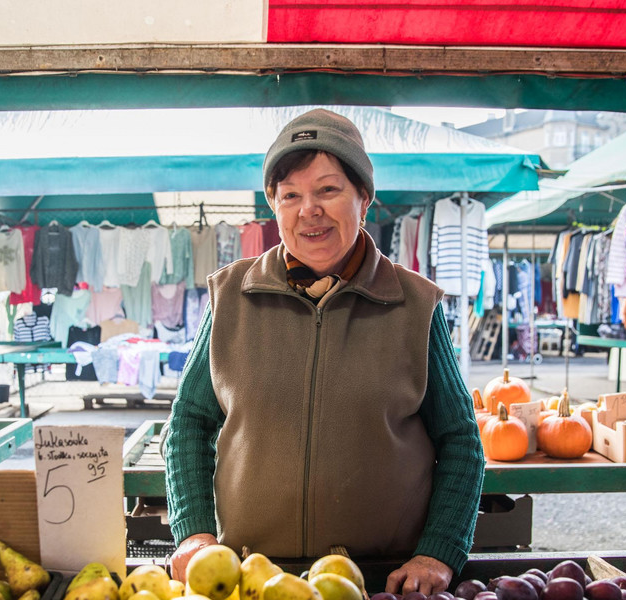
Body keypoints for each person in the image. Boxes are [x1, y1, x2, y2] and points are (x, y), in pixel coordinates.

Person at [164, 109, 484, 593]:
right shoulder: (231, 296)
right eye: (290, 195)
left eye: (328, 190)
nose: (308, 209)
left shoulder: (414, 305)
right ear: (274, 205)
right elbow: (188, 421)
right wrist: (194, 534)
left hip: (382, 580)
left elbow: (460, 439)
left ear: (364, 197)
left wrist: (438, 552)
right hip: (252, 578)